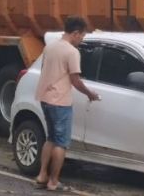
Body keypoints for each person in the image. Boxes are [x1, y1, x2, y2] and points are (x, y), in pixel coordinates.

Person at [34, 16, 99, 191]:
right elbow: (75, 80)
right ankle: (54, 181)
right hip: (60, 101)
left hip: (45, 98)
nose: (82, 39)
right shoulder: (71, 52)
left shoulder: (50, 47)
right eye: (82, 36)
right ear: (76, 33)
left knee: (50, 138)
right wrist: (90, 94)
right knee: (61, 143)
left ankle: (42, 175)